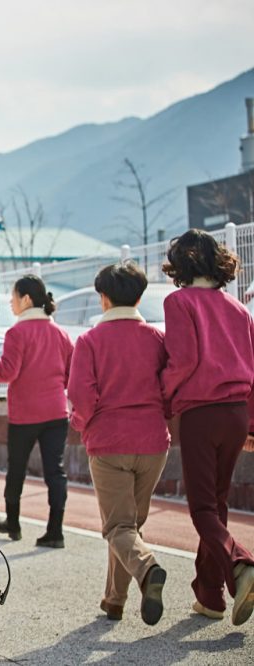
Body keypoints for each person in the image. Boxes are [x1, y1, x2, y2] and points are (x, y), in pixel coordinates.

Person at [67, 262, 170, 625]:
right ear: (140, 296)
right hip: (154, 442)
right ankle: (114, 601)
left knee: (117, 528)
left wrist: (80, 425)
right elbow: (168, 387)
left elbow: (82, 396)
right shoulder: (157, 340)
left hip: (109, 442)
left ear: (103, 298)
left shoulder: (90, 341)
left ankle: (148, 569)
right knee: (129, 526)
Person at [160, 229, 254, 625]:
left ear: (180, 265)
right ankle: (210, 595)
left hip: (201, 412)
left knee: (201, 508)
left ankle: (242, 563)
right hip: (236, 413)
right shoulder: (238, 309)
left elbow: (182, 360)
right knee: (217, 504)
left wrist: (164, 398)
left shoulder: (178, 301)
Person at [0, 275, 73, 548]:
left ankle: (12, 523)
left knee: (16, 469)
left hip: (25, 414)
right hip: (57, 413)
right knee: (55, 472)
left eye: (13, 298)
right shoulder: (60, 333)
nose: (11, 303)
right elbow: (72, 372)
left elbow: (8, 371)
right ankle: (55, 530)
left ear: (26, 299)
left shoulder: (17, 333)